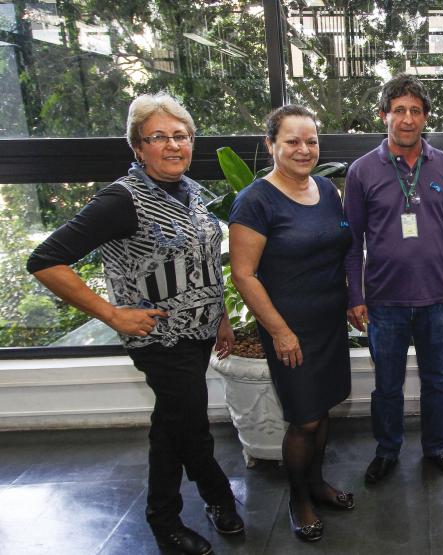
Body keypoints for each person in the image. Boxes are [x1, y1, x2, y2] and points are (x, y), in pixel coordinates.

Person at [27, 92, 243, 555]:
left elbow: (204, 260)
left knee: (172, 424)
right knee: (190, 427)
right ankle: (208, 502)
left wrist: (220, 316)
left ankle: (173, 512)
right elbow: (45, 260)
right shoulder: (122, 200)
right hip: (160, 338)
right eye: (158, 137)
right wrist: (111, 313)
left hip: (200, 332)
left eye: (180, 136)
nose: (173, 145)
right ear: (138, 147)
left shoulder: (191, 191)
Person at [344, 73, 443, 483]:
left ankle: (437, 448)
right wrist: (355, 294)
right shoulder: (361, 172)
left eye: (416, 111)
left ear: (425, 118)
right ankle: (387, 450)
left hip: (437, 299)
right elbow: (351, 242)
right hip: (384, 301)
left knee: (438, 381)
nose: (407, 119)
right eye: (399, 110)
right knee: (386, 385)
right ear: (384, 115)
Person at [229, 105, 353, 542]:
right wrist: (279, 331)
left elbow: (338, 249)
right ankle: (299, 500)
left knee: (322, 410)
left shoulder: (325, 189)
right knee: (303, 418)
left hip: (328, 322)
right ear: (271, 145)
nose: (304, 149)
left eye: (311, 141)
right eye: (292, 141)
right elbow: (243, 274)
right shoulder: (255, 201)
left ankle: (317, 483)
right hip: (290, 328)